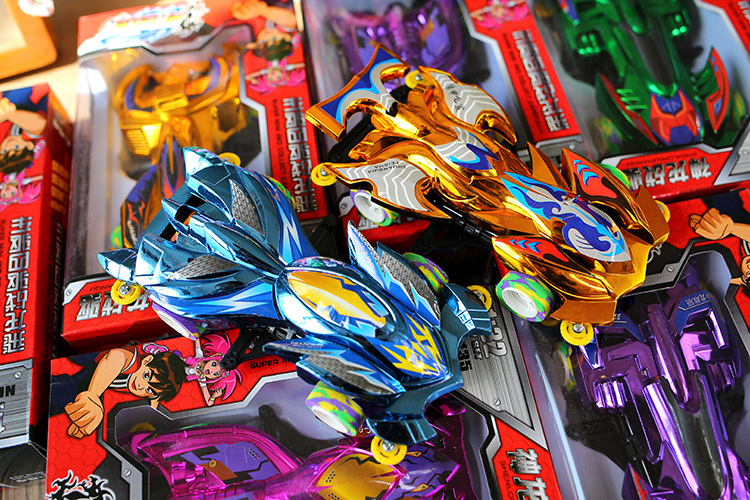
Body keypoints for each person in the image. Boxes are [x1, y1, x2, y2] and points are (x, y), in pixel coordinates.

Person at [64, 344, 187, 438]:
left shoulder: (152, 394)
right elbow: (116, 357)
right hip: (92, 358)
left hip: (86, 379)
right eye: (146, 375)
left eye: (149, 389)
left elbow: (154, 405)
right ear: (147, 360)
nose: (140, 386)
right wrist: (93, 395)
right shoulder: (133, 362)